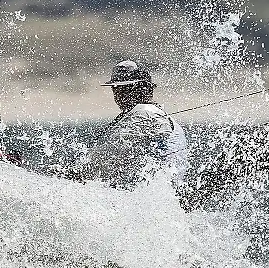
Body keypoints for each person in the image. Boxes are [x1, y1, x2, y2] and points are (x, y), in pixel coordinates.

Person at [69, 60, 189, 189]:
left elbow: (107, 153)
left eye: (124, 88)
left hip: (148, 196)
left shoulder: (146, 113)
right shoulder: (157, 114)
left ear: (142, 88)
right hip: (160, 194)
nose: (118, 94)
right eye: (115, 89)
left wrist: (73, 173)